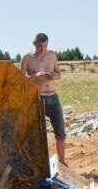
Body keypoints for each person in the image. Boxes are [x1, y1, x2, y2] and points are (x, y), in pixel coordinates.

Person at [19, 32, 66, 166]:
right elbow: (19, 80)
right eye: (40, 46)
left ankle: (62, 163)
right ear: (34, 44)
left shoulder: (51, 55)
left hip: (53, 96)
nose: (43, 49)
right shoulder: (27, 58)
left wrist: (53, 76)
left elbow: (59, 74)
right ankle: (40, 164)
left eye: (45, 46)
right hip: (37, 98)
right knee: (39, 133)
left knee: (60, 131)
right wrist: (35, 77)